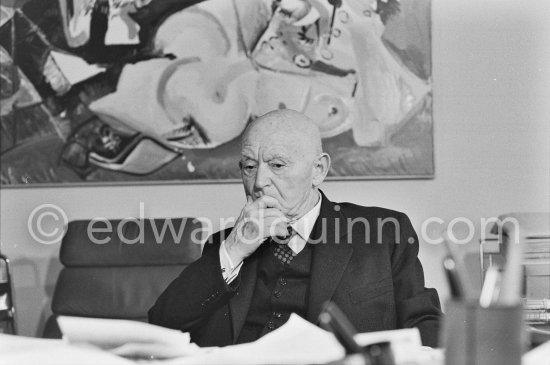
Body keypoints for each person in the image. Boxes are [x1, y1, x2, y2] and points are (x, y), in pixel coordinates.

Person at [148, 109, 442, 347]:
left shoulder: (384, 231)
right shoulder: (225, 245)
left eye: (277, 165)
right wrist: (235, 249)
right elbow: (163, 325)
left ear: (318, 171)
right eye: (249, 167)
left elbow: (425, 326)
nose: (259, 181)